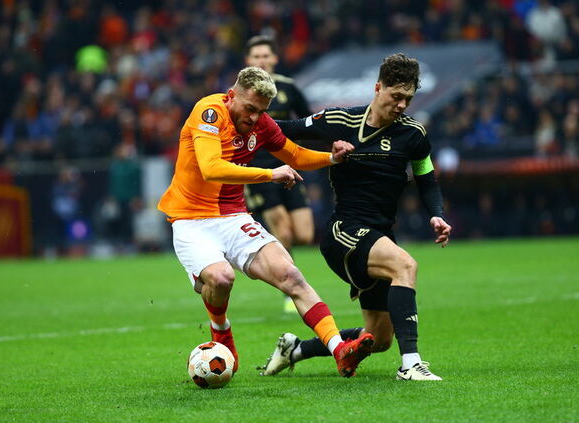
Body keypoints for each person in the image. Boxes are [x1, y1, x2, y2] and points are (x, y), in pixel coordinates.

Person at [157, 66, 374, 377]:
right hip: (191, 220)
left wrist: (330, 158)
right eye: (250, 108)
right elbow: (210, 168)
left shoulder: (261, 123)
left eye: (262, 111)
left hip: (233, 217)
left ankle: (339, 350)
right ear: (231, 96)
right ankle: (221, 330)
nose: (255, 117)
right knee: (221, 278)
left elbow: (295, 155)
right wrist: (270, 174)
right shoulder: (209, 112)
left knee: (291, 275)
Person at [258, 53, 452, 381]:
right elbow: (286, 130)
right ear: (378, 88)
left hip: (379, 236)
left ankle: (297, 349)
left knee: (378, 338)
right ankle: (411, 364)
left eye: (408, 98)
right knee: (405, 265)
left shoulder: (414, 135)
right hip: (343, 231)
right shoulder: (339, 120)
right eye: (396, 96)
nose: (402, 105)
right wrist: (244, 118)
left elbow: (427, 179)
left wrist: (436, 215)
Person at [243, 35, 314, 314]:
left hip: (288, 167)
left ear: (274, 59)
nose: (261, 61)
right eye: (256, 56)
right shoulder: (240, 92)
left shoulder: (288, 87)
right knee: (282, 229)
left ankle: (272, 256)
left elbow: (308, 121)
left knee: (305, 234)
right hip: (259, 169)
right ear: (248, 61)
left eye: (265, 56)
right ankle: (290, 289)